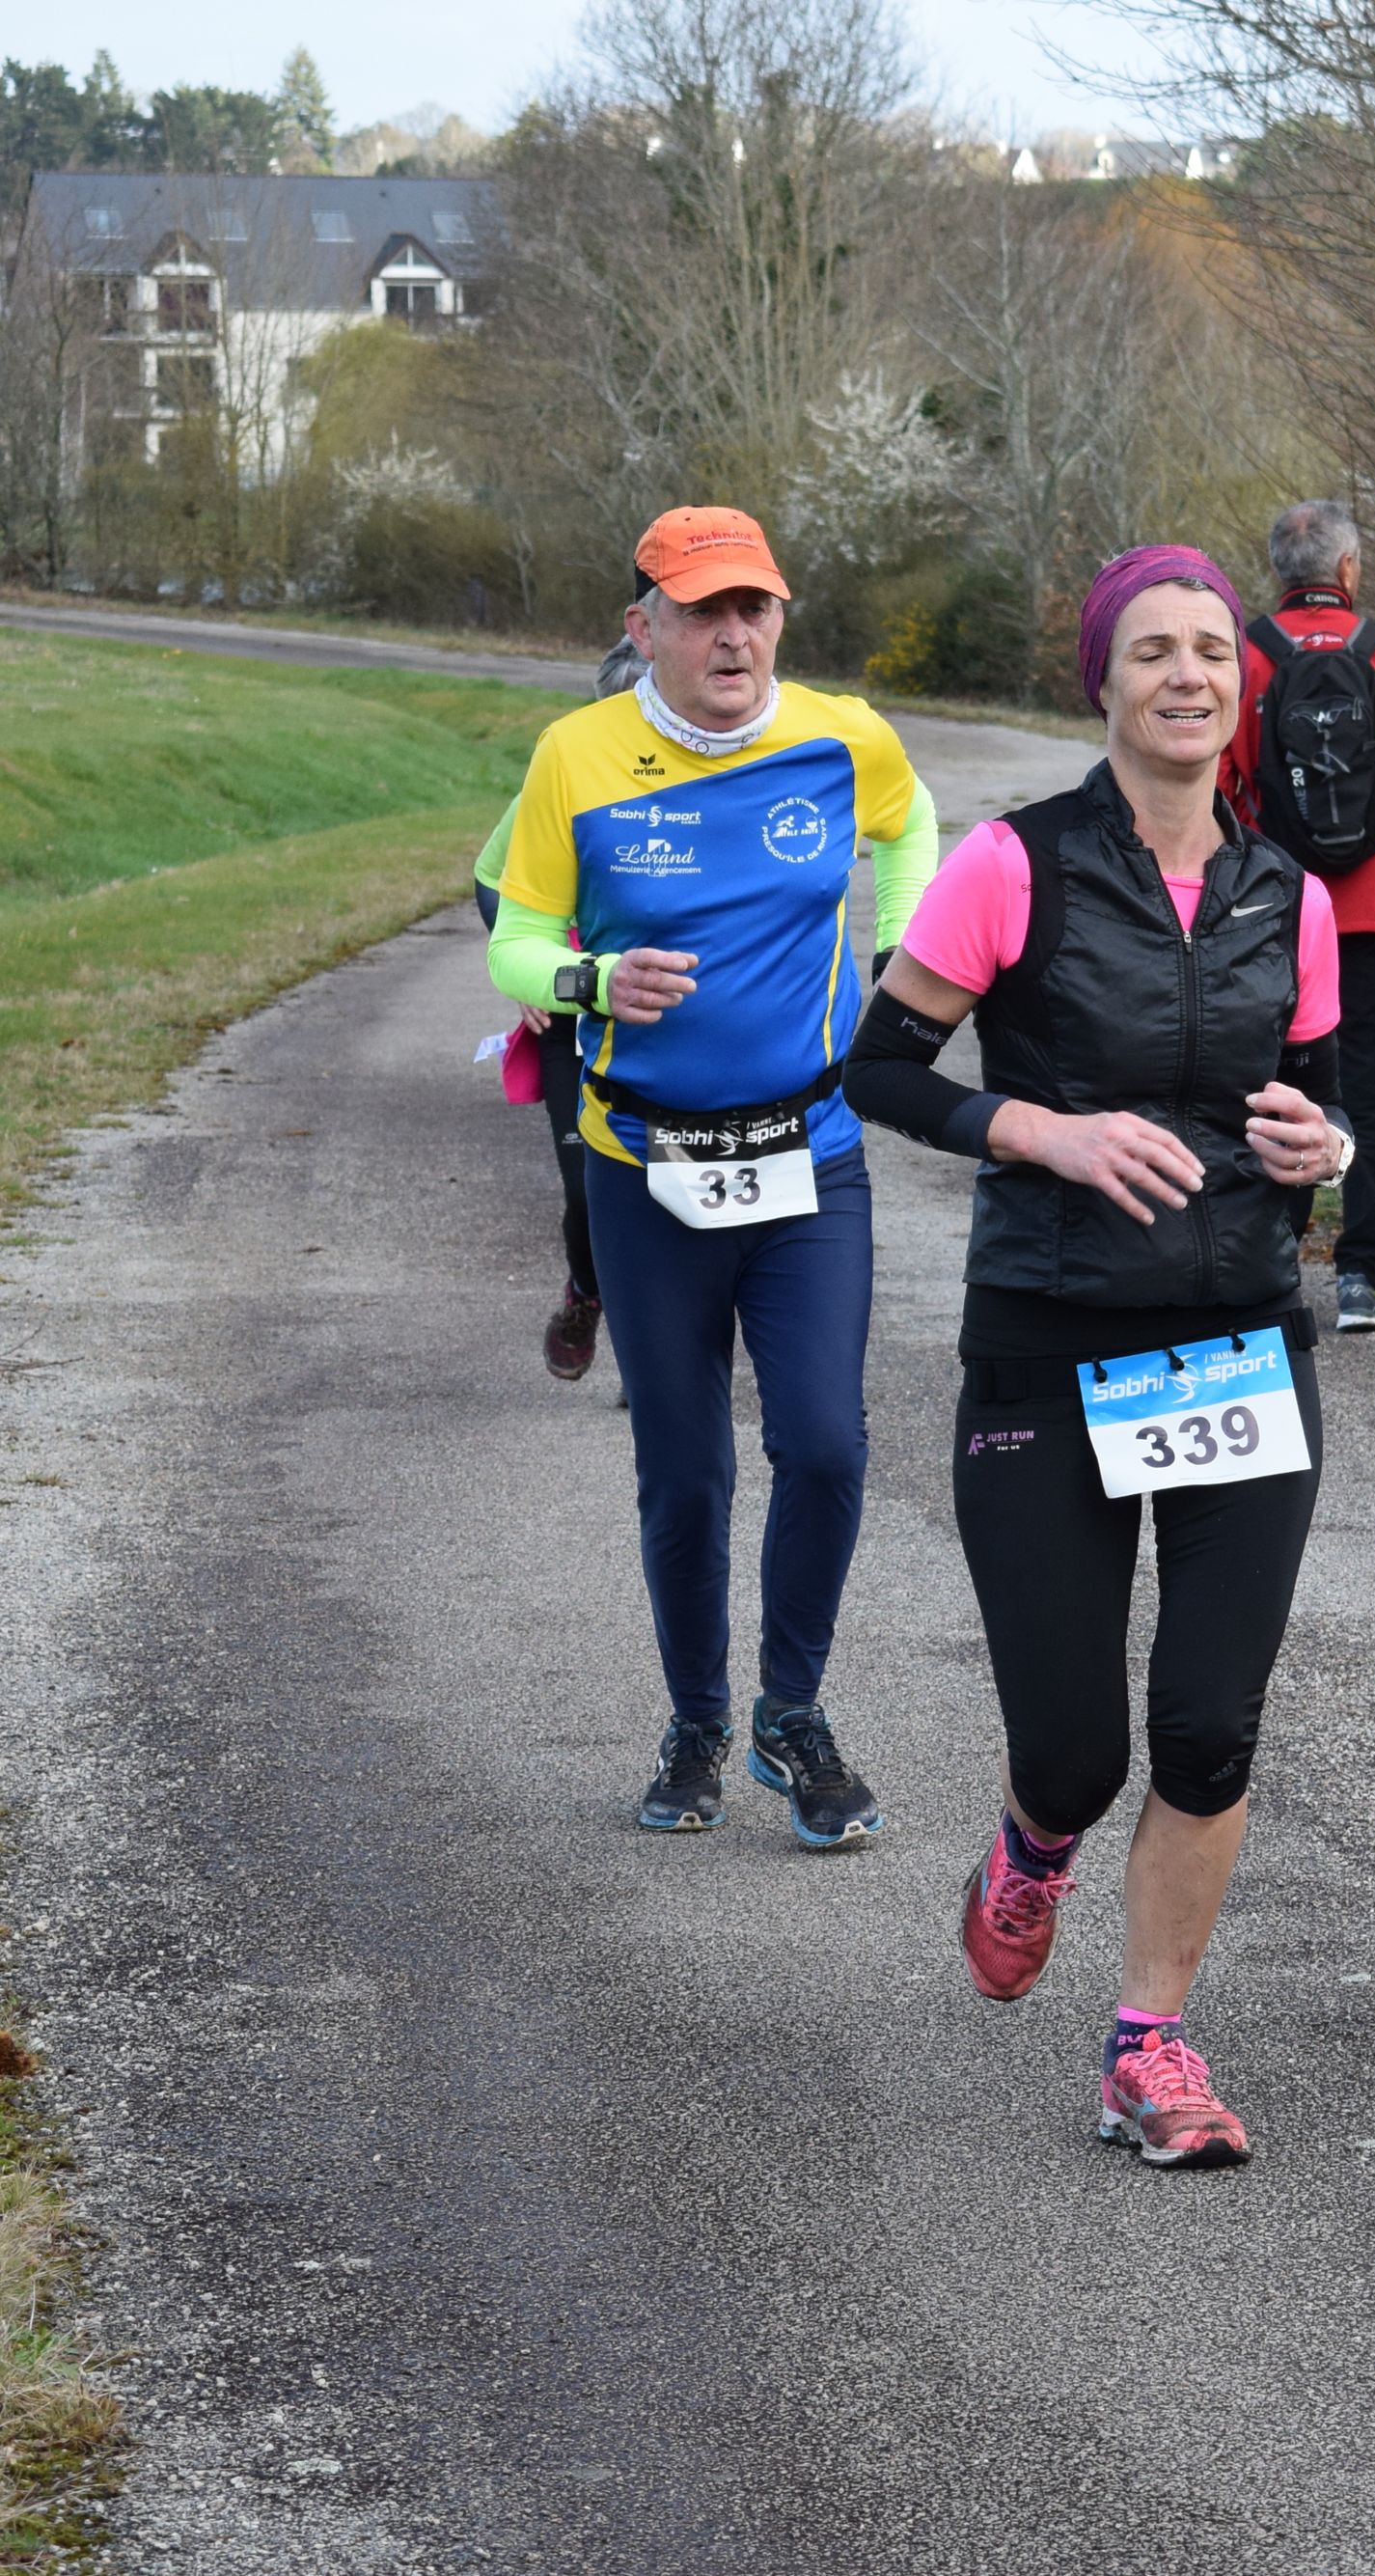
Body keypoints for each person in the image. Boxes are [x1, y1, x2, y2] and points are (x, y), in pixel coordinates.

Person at [844, 546, 1350, 2170]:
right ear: (1105, 682)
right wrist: (1041, 1130)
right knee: (1076, 1747)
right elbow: (881, 1067)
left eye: (1212, 649)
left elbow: (1324, 1103)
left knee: (1207, 1727)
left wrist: (1322, 1143)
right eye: (1153, 650)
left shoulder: (1291, 895)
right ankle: (1030, 1841)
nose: (1187, 674)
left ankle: (1150, 2040)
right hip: (1049, 1345)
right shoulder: (1015, 866)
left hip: (1236, 1348)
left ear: (1242, 684)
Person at [485, 508, 940, 1844]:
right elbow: (515, 939)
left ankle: (790, 1715)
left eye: (754, 607)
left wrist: (901, 963)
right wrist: (588, 978)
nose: (733, 635)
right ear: (644, 629)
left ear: (780, 619)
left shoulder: (844, 737)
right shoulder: (576, 755)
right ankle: (695, 1720)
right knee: (684, 1471)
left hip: (810, 1156)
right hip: (646, 1169)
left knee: (828, 1443)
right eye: (701, 611)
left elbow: (913, 825)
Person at [1221, 498, 1375, 1334]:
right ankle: (1364, 1278)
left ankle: (1273, 1264)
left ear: (1278, 573)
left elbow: (1220, 786)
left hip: (1274, 914)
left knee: (1271, 1089)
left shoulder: (1248, 657)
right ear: (1349, 568)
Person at [472, 637, 646, 1385]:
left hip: (670, 1017)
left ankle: (654, 1354)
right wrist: (534, 968)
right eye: (620, 710)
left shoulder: (717, 783)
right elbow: (490, 878)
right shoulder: (565, 779)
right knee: (588, 1188)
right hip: (572, 1015)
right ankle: (587, 1290)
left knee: (671, 1189)